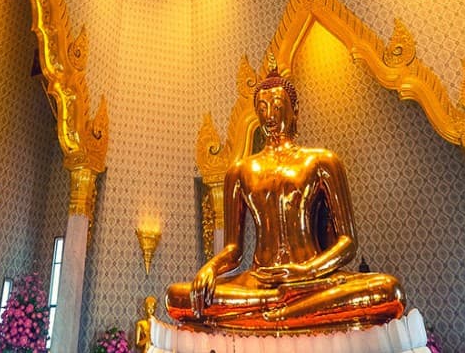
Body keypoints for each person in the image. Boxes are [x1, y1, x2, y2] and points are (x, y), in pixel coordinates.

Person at [166, 67, 405, 331]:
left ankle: (271, 314)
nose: (269, 115)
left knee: (388, 291)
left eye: (277, 105)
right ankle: (286, 312)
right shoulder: (241, 170)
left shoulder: (321, 161)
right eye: (262, 107)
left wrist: (305, 272)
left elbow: (347, 243)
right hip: (259, 282)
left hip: (312, 282)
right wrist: (210, 268)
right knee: (178, 297)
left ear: (295, 109)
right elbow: (234, 250)